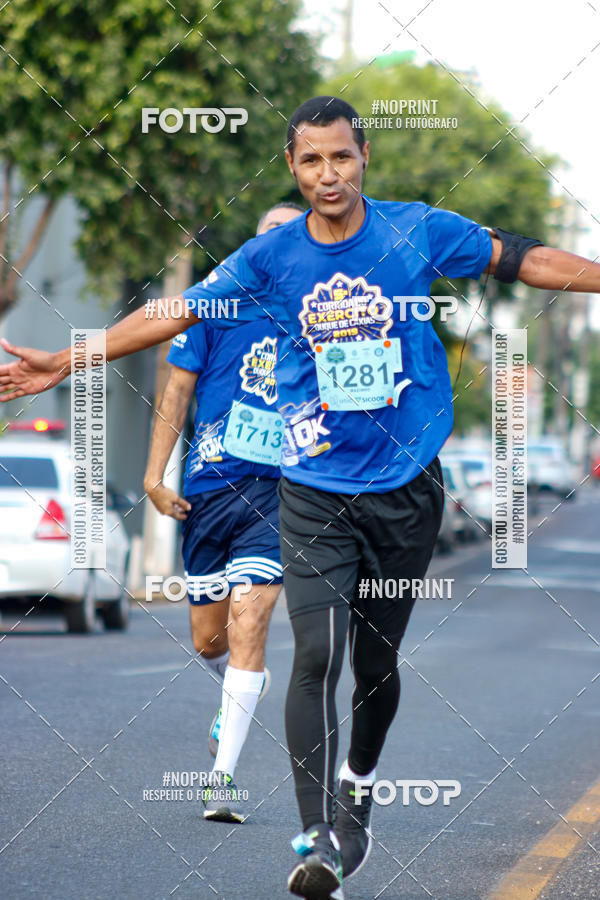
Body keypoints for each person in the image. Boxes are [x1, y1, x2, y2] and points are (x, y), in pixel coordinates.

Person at [2, 96, 600, 900]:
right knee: (314, 656)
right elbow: (173, 311)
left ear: (364, 158)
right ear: (291, 165)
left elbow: (522, 258)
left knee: (376, 666)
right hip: (313, 486)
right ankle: (319, 838)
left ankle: (359, 787)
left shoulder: (416, 231)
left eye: (341, 157)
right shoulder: (269, 258)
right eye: (311, 160)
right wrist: (68, 358)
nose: (328, 174)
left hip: (406, 486)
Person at [147, 202, 304, 823]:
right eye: (271, 235)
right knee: (209, 638)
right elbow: (177, 388)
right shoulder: (216, 303)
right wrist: (154, 477)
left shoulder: (318, 315)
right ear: (254, 246)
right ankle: (242, 682)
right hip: (209, 488)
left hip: (279, 491)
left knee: (252, 616)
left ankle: (222, 782)